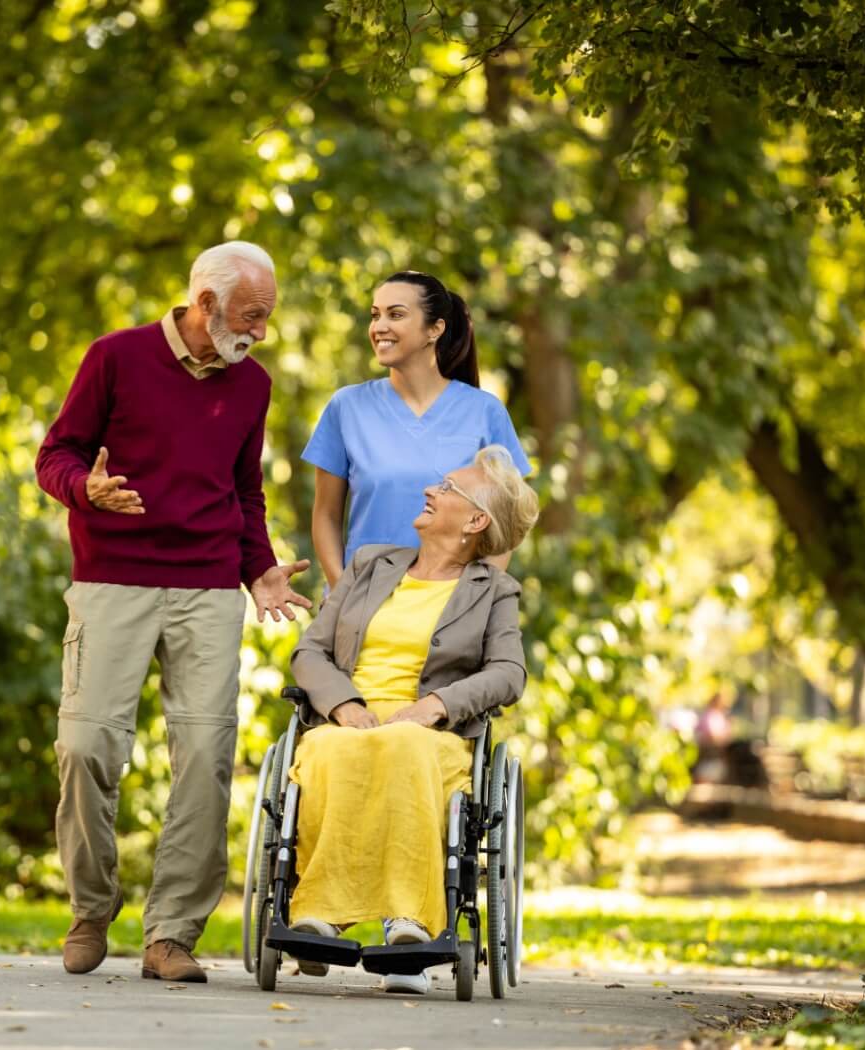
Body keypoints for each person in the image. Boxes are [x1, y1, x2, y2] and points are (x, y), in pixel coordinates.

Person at [35, 241, 312, 983]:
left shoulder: (252, 384)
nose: (260, 332)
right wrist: (84, 490)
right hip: (113, 580)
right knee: (86, 746)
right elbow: (56, 454)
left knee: (206, 756)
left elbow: (243, 491)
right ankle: (92, 908)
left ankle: (171, 935)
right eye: (252, 315)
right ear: (207, 302)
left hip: (207, 589)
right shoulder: (115, 357)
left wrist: (259, 571)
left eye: (266, 317)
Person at [286, 446, 539, 994]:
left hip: (432, 734)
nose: (430, 490)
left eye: (447, 488)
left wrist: (435, 706)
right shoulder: (369, 564)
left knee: (403, 744)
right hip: (350, 721)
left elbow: (509, 673)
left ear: (475, 522)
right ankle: (319, 913)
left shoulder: (494, 591)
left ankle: (411, 921)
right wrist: (345, 705)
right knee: (326, 748)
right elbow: (310, 652)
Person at [302, 270, 532, 587]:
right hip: (362, 599)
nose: (379, 327)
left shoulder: (484, 411)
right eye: (375, 315)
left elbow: (506, 521)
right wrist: (343, 594)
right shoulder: (347, 407)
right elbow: (326, 515)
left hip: (450, 605)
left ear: (435, 329)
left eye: (395, 314)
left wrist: (475, 597)